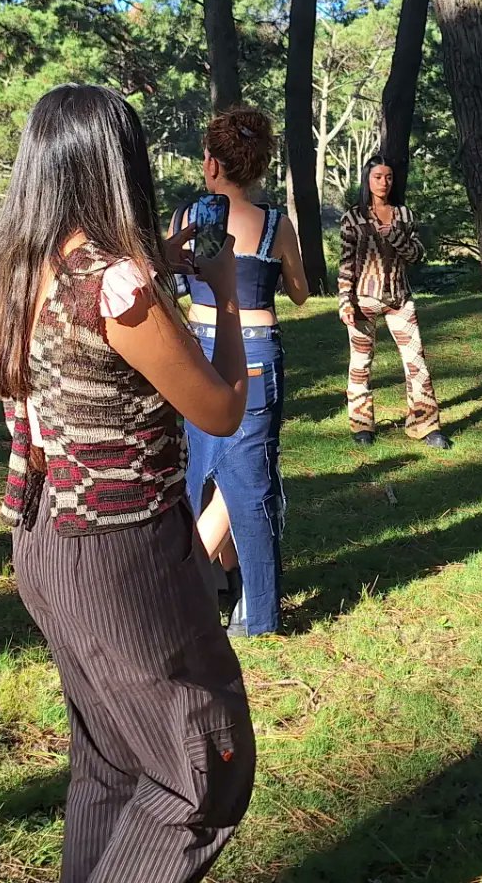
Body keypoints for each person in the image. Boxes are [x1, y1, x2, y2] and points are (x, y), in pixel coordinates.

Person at [0, 84, 255, 883]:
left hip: (43, 536)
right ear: (119, 165)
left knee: (114, 763)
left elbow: (83, 278)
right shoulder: (114, 293)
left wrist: (160, 259)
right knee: (201, 770)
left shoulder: (6, 268)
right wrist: (222, 296)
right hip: (123, 553)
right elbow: (221, 410)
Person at [170, 107, 309, 638]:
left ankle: (222, 584)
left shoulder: (192, 218)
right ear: (257, 167)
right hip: (255, 350)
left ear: (211, 163)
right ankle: (204, 592)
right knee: (248, 482)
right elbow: (298, 292)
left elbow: (186, 279)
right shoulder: (275, 223)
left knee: (201, 468)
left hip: (197, 349)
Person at [337, 155, 448, 450]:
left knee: (416, 364)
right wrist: (345, 302)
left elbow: (416, 256)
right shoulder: (353, 217)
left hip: (400, 299)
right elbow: (346, 264)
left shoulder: (404, 215)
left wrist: (397, 237)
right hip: (363, 301)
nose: (383, 182)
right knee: (360, 365)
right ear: (367, 180)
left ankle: (426, 426)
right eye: (377, 177)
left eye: (388, 177)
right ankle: (362, 426)